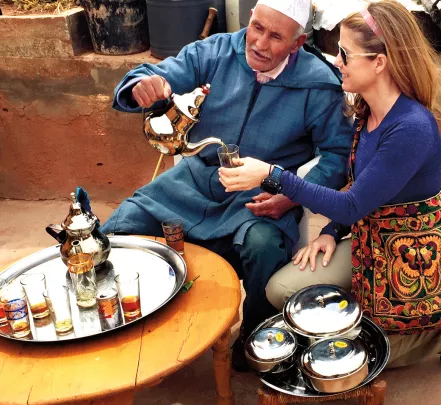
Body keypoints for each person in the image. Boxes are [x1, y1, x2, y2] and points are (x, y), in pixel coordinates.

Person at [219, 0, 441, 371]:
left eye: (344, 53)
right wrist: (331, 232)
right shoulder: (367, 110)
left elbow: (351, 204)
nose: (336, 61)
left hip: (414, 257)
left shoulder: (411, 128)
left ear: (379, 63)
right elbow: (357, 197)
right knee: (281, 291)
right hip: (371, 237)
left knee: (353, 360)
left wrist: (272, 174)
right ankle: (374, 312)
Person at [100, 0, 353, 371]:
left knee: (263, 245)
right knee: (122, 227)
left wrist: (288, 195)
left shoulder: (318, 83)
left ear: (298, 44)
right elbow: (154, 75)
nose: (260, 44)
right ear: (250, 19)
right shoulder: (217, 50)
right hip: (195, 181)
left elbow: (336, 155)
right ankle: (126, 326)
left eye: (276, 37)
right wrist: (144, 85)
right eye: (258, 28)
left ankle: (257, 337)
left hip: (262, 195)